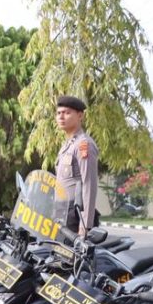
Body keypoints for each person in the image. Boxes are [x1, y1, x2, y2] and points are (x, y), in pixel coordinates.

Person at [54, 95, 100, 236]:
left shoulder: (84, 145)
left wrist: (84, 226)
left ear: (80, 116)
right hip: (61, 213)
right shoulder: (67, 146)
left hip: (75, 216)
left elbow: (89, 185)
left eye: (67, 113)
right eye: (58, 113)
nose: (61, 117)